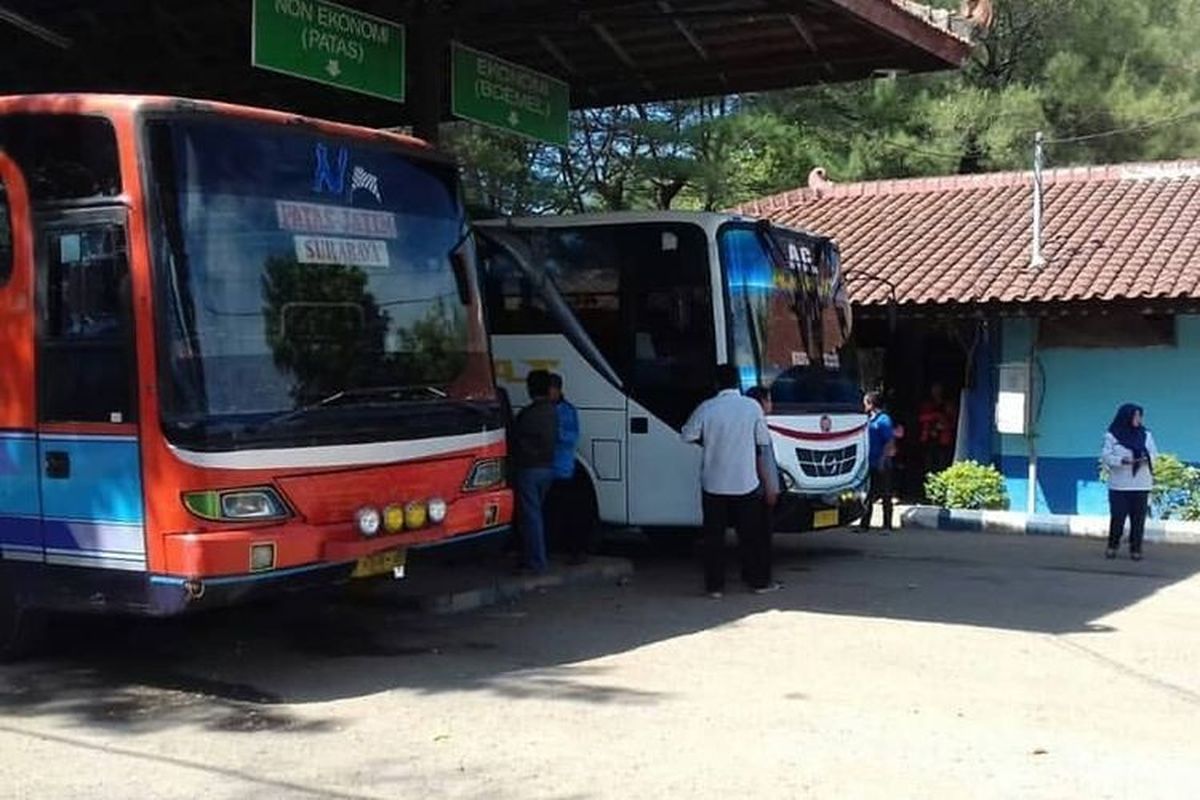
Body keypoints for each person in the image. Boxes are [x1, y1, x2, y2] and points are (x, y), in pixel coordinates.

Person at [682, 365, 781, 597]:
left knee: (714, 538)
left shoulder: (707, 407)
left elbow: (687, 434)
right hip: (745, 482)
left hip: (713, 483)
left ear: (716, 384)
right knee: (750, 537)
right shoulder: (752, 408)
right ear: (738, 382)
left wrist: (709, 442)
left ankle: (715, 587)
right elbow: (762, 441)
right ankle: (757, 582)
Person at [512, 369, 558, 574]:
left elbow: (515, 440)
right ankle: (535, 558)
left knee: (531, 517)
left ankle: (536, 561)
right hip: (547, 468)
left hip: (528, 470)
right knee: (537, 514)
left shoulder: (528, 414)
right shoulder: (552, 412)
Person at [1101, 403, 1158, 561]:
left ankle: (1136, 549)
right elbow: (1106, 457)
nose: (1138, 419)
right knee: (1118, 517)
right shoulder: (1112, 436)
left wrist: (1146, 459)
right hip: (1119, 485)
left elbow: (1154, 454)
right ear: (1126, 416)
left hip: (1141, 484)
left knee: (1138, 519)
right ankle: (1112, 546)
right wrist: (1122, 461)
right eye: (1135, 415)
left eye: (1140, 416)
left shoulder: (1146, 435)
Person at [547, 373, 586, 564]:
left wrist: (554, 431)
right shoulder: (544, 409)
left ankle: (575, 551)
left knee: (567, 514)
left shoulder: (567, 411)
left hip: (562, 469)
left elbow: (572, 437)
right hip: (546, 468)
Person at [745, 386, 781, 587]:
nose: (771, 405)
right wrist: (771, 488)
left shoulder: (745, 422)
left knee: (751, 536)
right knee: (762, 539)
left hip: (747, 488)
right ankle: (761, 581)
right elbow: (763, 460)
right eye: (769, 400)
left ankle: (751, 575)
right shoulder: (758, 425)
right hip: (760, 490)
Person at [860, 391, 895, 533]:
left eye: (865, 403)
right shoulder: (869, 419)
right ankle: (864, 524)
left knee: (885, 494)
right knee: (868, 494)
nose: (864, 406)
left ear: (871, 404)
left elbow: (889, 442)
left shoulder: (883, 420)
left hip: (882, 463)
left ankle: (887, 525)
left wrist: (882, 460)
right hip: (870, 462)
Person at [917, 382, 956, 477]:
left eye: (938, 389)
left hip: (943, 440)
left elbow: (953, 421)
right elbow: (921, 417)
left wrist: (943, 425)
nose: (936, 391)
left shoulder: (948, 404)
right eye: (934, 389)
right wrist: (936, 416)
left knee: (942, 464)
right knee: (928, 464)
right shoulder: (928, 404)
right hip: (929, 438)